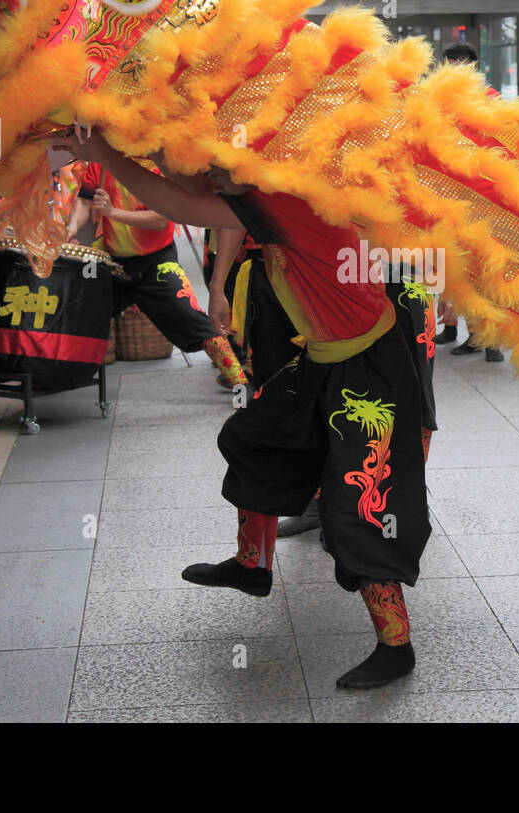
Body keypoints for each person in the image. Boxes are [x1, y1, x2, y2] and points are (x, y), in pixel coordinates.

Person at [60, 134, 431, 690]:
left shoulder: (285, 201)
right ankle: (250, 565)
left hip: (369, 370)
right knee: (256, 439)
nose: (213, 176)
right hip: (325, 361)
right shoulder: (271, 188)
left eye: (222, 169)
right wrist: (127, 142)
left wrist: (107, 156)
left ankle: (395, 646)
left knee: (360, 506)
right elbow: (190, 181)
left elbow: (181, 204)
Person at [66, 161, 245, 389]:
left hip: (156, 262)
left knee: (190, 315)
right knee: (76, 306)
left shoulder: (158, 162)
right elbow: (85, 200)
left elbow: (161, 220)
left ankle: (238, 379)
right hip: (112, 260)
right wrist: (70, 228)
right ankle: (60, 373)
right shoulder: (101, 160)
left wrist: (113, 212)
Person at [440, 42, 502, 363]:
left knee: (483, 270)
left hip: (485, 198)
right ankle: (457, 328)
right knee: (456, 265)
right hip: (453, 196)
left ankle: (487, 339)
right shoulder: (443, 104)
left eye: (459, 68)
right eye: (449, 67)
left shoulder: (491, 103)